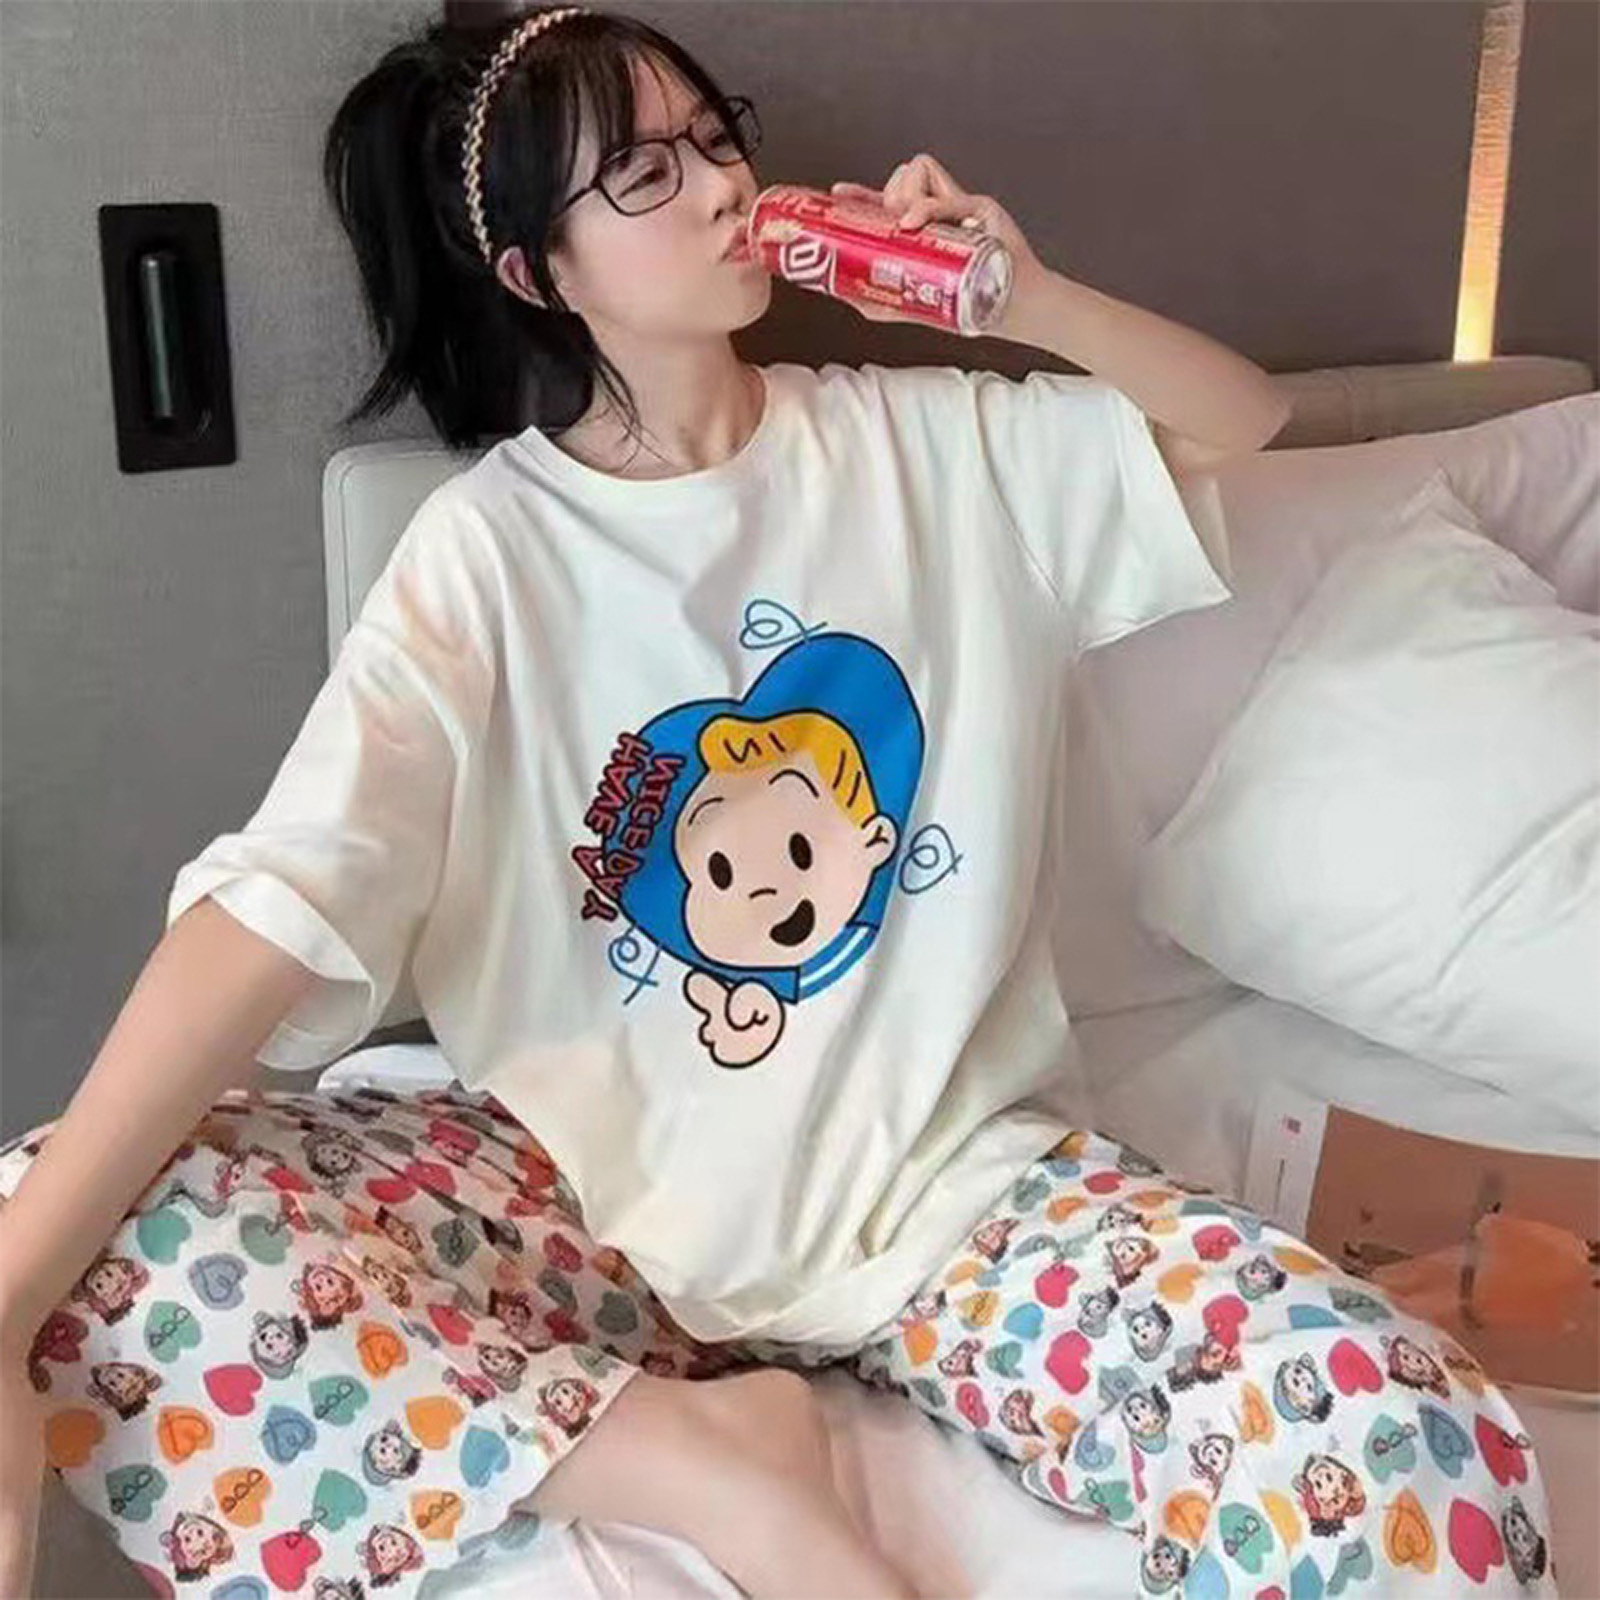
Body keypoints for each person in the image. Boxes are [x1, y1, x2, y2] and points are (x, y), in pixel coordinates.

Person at [0, 8, 1557, 1599]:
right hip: (588, 1221)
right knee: (78, 1229)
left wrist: (1018, 296)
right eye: (643, 174)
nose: (720, 185)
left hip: (956, 1208)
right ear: (542, 272)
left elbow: (1243, 420)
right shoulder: (486, 558)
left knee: (1407, 1446)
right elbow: (278, 901)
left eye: (714, 137)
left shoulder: (931, 448)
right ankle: (699, 1460)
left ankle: (719, 1446)